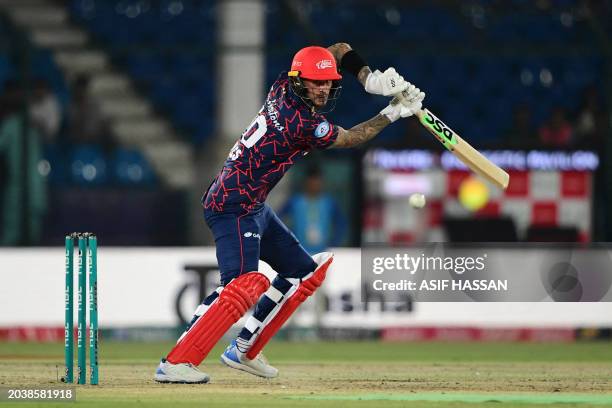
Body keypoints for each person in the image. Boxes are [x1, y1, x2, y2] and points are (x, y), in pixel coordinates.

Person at [154, 43, 425, 383]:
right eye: (315, 82)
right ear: (300, 82)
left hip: (253, 205)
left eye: (327, 81)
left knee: (302, 273)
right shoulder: (300, 123)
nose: (323, 87)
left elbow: (338, 49)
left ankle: (244, 350)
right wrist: (392, 112)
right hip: (232, 207)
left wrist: (370, 79)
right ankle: (176, 362)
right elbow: (353, 137)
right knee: (240, 286)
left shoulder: (284, 83)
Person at [279, 166, 346, 254]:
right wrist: (288, 241)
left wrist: (334, 243)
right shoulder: (295, 201)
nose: (315, 185)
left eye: (317, 181)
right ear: (306, 182)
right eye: (312, 181)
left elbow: (341, 224)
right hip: (299, 252)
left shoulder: (329, 202)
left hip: (323, 252)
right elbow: (278, 218)